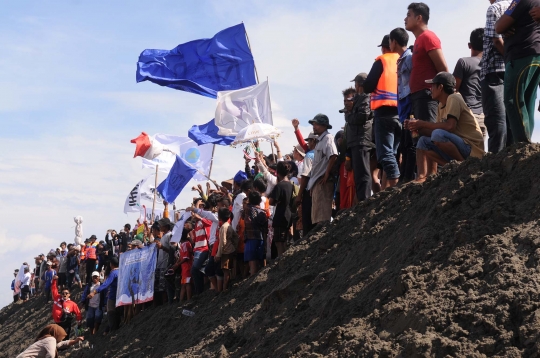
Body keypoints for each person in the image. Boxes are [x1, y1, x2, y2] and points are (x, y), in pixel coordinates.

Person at [406, 72, 485, 181]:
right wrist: (417, 128)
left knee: (437, 135)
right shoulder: (441, 105)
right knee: (423, 141)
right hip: (458, 145)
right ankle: (425, 176)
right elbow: (436, 132)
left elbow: (449, 127)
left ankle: (464, 165)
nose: (430, 89)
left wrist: (422, 123)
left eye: (433, 86)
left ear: (440, 87)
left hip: (471, 148)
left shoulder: (454, 98)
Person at [496, 0, 540, 144]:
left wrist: (507, 25)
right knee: (527, 101)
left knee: (512, 100)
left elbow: (499, 26)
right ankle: (526, 148)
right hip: (535, 55)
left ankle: (522, 145)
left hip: (521, 54)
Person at [363, 35, 402, 189]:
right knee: (393, 153)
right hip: (401, 112)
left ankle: (395, 187)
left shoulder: (382, 60)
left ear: (385, 47)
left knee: (385, 154)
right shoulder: (403, 59)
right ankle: (390, 188)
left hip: (384, 112)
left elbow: (368, 86)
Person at [405, 2, 448, 124]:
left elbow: (443, 68)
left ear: (419, 18)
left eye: (409, 15)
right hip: (418, 96)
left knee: (428, 137)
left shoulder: (428, 37)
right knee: (419, 138)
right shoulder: (418, 40)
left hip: (427, 95)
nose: (405, 19)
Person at [481, 0, 512, 153]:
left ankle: (495, 165)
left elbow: (496, 40)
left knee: (497, 121)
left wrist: (509, 57)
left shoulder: (495, 8)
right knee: (511, 120)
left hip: (494, 72)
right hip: (512, 71)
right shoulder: (517, 7)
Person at [390, 27, 416, 183]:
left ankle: (408, 175)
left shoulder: (409, 58)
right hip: (404, 104)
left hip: (410, 102)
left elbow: (413, 81)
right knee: (405, 143)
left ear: (394, 41)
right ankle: (405, 175)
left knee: (410, 141)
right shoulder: (402, 59)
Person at [454, 28, 487, 141]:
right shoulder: (490, 65)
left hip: (466, 116)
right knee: (480, 154)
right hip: (484, 116)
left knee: (463, 155)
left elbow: (454, 90)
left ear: (469, 45)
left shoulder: (463, 62)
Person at [347, 73, 376, 199]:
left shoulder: (366, 97)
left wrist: (348, 115)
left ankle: (365, 200)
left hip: (362, 139)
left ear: (359, 84)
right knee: (359, 174)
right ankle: (362, 200)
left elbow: (362, 116)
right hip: (357, 139)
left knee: (363, 173)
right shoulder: (361, 98)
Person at [306, 114, 338, 224]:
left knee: (322, 216)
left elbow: (333, 156)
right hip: (317, 181)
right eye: (313, 124)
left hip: (322, 181)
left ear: (324, 126)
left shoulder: (328, 138)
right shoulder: (320, 140)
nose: (314, 126)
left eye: (316, 124)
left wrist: (326, 174)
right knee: (317, 216)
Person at [88, 257, 121, 332]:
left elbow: (105, 284)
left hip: (113, 296)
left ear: (111, 264)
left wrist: (95, 292)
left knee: (111, 313)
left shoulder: (113, 273)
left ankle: (113, 330)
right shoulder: (121, 271)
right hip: (121, 295)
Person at [15, 324, 83, 358]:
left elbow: (61, 344)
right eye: (61, 337)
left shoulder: (48, 339)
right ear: (56, 334)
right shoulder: (51, 340)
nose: (62, 339)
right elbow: (51, 355)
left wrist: (75, 341)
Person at [242, 191, 268, 276]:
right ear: (260, 201)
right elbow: (264, 225)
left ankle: (252, 283)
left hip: (250, 238)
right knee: (260, 261)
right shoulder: (261, 212)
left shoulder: (247, 209)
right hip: (260, 237)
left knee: (252, 263)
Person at [215, 208, 238, 291]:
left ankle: (225, 289)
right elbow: (236, 237)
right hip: (230, 250)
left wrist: (218, 254)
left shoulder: (223, 227)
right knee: (229, 270)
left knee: (226, 271)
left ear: (220, 217)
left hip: (225, 252)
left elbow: (222, 242)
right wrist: (234, 247)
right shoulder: (229, 226)